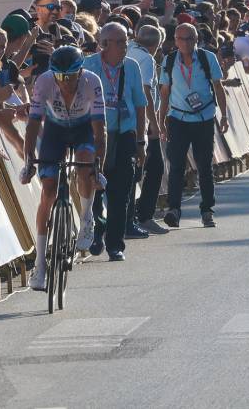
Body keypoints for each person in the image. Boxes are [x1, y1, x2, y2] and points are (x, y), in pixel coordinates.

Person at [20, 46, 106, 290]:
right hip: (55, 132)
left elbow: (100, 130)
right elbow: (33, 123)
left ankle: (87, 216)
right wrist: (29, 160)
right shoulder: (44, 82)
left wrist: (98, 167)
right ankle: (39, 263)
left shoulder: (92, 82)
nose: (65, 82)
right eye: (60, 76)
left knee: (84, 167)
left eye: (70, 76)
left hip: (84, 129)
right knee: (48, 191)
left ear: (80, 72)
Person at [83, 23, 148, 261]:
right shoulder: (88, 65)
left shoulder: (131, 66)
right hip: (95, 135)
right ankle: (98, 228)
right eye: (121, 42)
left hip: (124, 135)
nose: (125, 46)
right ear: (105, 44)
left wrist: (141, 141)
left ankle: (115, 244)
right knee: (95, 187)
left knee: (122, 192)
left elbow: (140, 103)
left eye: (127, 41)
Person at [159, 23, 228, 228]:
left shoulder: (207, 58)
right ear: (175, 40)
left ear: (196, 40)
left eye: (189, 38)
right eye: (180, 38)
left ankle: (207, 210)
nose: (184, 42)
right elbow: (164, 92)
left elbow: (218, 86)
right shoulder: (169, 61)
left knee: (204, 166)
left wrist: (224, 115)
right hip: (178, 119)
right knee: (177, 166)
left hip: (203, 118)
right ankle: (174, 209)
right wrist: (161, 122)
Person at [127, 25, 168, 234]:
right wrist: (154, 123)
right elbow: (146, 92)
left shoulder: (128, 51)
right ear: (155, 45)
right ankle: (143, 216)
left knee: (135, 170)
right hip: (141, 122)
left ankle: (132, 217)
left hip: (127, 120)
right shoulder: (147, 59)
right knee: (154, 168)